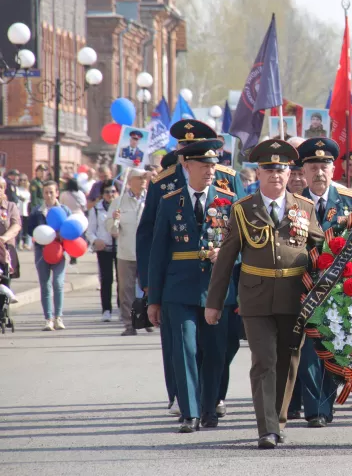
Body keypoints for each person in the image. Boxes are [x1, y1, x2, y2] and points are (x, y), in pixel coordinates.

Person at [206, 139, 324, 449]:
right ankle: (266, 429)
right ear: (258, 173)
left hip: (294, 296)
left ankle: (278, 419)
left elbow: (321, 252)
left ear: (290, 174)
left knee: (288, 360)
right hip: (255, 298)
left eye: (281, 170)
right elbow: (226, 259)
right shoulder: (243, 210)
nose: (275, 175)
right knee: (264, 360)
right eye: (269, 169)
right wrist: (214, 303)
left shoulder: (305, 208)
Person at [137, 119, 243, 417]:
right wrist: (150, 287)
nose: (187, 151)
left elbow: (243, 235)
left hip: (220, 285)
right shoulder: (164, 185)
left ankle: (213, 399)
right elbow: (151, 239)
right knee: (182, 346)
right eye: (184, 147)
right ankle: (188, 407)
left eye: (194, 147)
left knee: (221, 347)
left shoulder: (228, 183)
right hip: (178, 283)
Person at [290, 137, 352, 428]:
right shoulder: (294, 203)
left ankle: (326, 400)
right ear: (304, 171)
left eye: (324, 165)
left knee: (334, 348)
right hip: (304, 288)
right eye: (312, 166)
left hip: (341, 289)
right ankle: (316, 410)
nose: (319, 172)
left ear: (334, 169)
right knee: (309, 350)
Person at [107, 169, 148, 335]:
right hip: (126, 253)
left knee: (149, 289)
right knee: (126, 291)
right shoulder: (118, 202)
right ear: (130, 181)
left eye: (145, 178)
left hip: (147, 254)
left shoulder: (152, 200)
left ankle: (147, 319)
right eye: (140, 178)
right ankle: (130, 324)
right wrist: (115, 220)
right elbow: (111, 229)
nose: (144, 181)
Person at [26, 180, 71, 331]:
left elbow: (72, 229)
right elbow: (30, 229)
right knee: (45, 285)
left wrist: (61, 236)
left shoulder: (64, 210)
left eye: (51, 192)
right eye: (46, 192)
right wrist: (40, 236)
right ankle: (48, 319)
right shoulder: (37, 211)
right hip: (42, 251)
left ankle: (58, 317)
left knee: (58, 283)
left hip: (59, 250)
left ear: (57, 192)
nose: (49, 195)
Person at [86, 180, 118, 322]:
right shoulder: (96, 209)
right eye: (107, 192)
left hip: (120, 248)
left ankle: (122, 308)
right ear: (102, 194)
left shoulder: (121, 207)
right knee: (106, 280)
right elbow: (90, 231)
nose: (110, 194)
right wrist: (95, 241)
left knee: (123, 281)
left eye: (113, 191)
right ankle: (106, 310)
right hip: (104, 248)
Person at [0, 178, 22, 286]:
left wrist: (4, 237)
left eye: (0, 187)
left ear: (4, 189)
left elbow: (16, 225)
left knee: (5, 285)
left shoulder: (10, 206)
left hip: (6, 248)